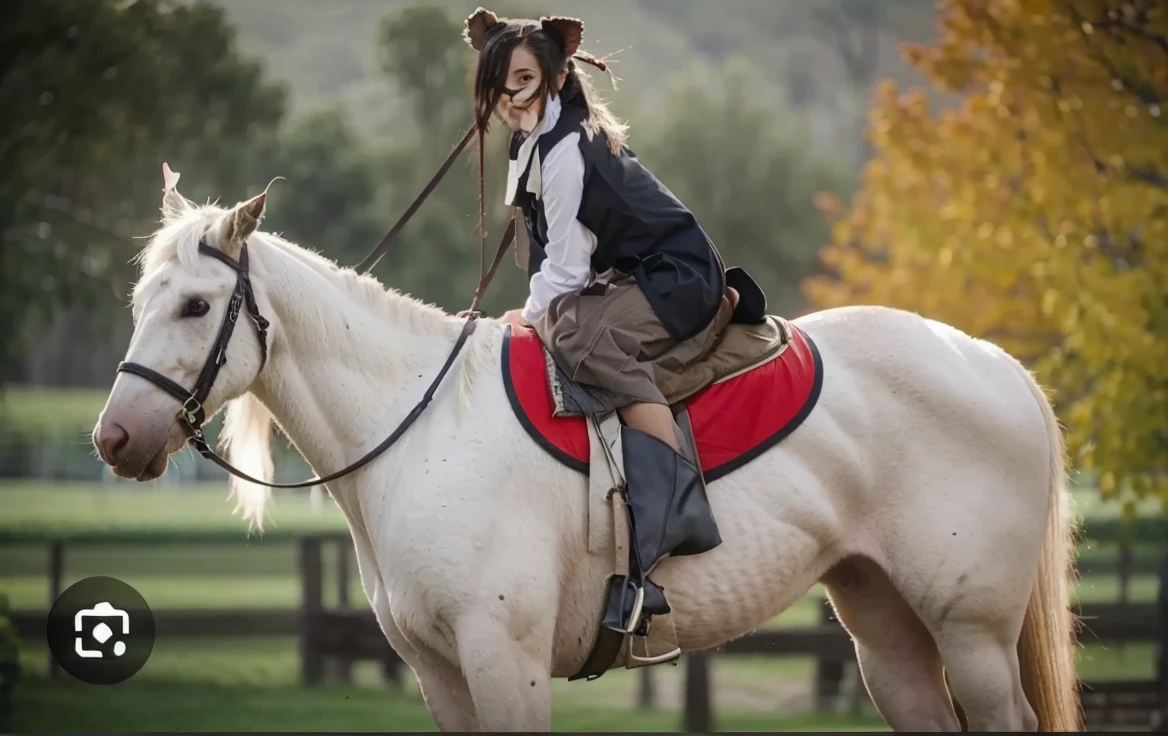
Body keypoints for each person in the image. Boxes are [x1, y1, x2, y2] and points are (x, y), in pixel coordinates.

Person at [463, 8, 765, 637]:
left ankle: (672, 513)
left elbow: (567, 268)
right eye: (500, 78)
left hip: (677, 276)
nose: (508, 90)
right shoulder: (532, 142)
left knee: (576, 335)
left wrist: (534, 314)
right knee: (557, 324)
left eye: (523, 76)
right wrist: (534, 307)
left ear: (552, 74)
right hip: (629, 277)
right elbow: (547, 252)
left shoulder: (569, 149)